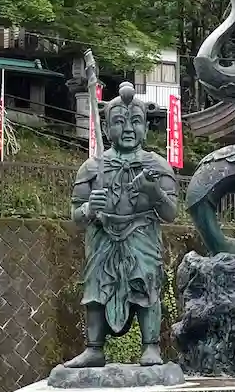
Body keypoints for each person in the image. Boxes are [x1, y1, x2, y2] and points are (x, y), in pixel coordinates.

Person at [62, 82, 178, 368]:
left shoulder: (157, 165)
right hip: (102, 234)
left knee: (147, 284)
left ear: (146, 127)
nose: (128, 128)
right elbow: (76, 215)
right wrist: (90, 208)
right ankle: (94, 348)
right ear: (106, 128)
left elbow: (170, 213)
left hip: (142, 233)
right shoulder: (92, 167)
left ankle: (151, 346)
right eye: (119, 122)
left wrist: (153, 191)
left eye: (135, 121)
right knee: (95, 287)